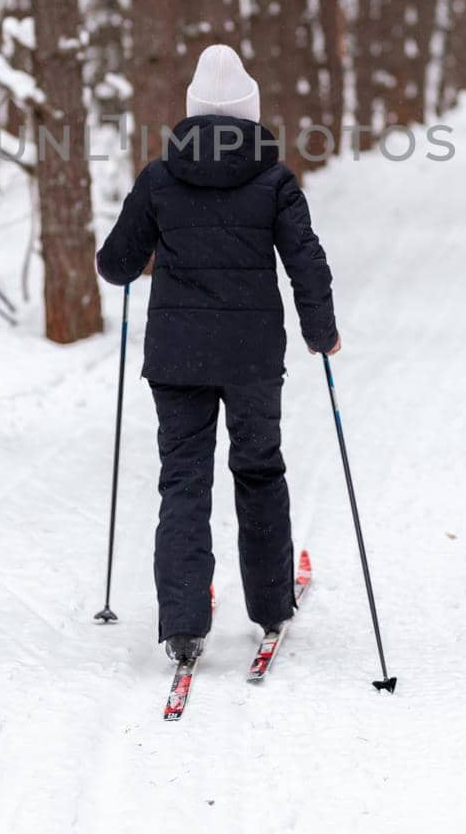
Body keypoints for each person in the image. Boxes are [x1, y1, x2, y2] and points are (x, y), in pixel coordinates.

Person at [96, 43, 340, 664]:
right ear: (251, 115)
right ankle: (269, 604)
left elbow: (115, 264)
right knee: (259, 471)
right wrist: (321, 333)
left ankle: (182, 623)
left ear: (193, 113)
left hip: (177, 359)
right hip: (253, 357)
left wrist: (138, 250)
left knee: (184, 479)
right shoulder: (275, 180)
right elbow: (306, 263)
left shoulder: (158, 178)